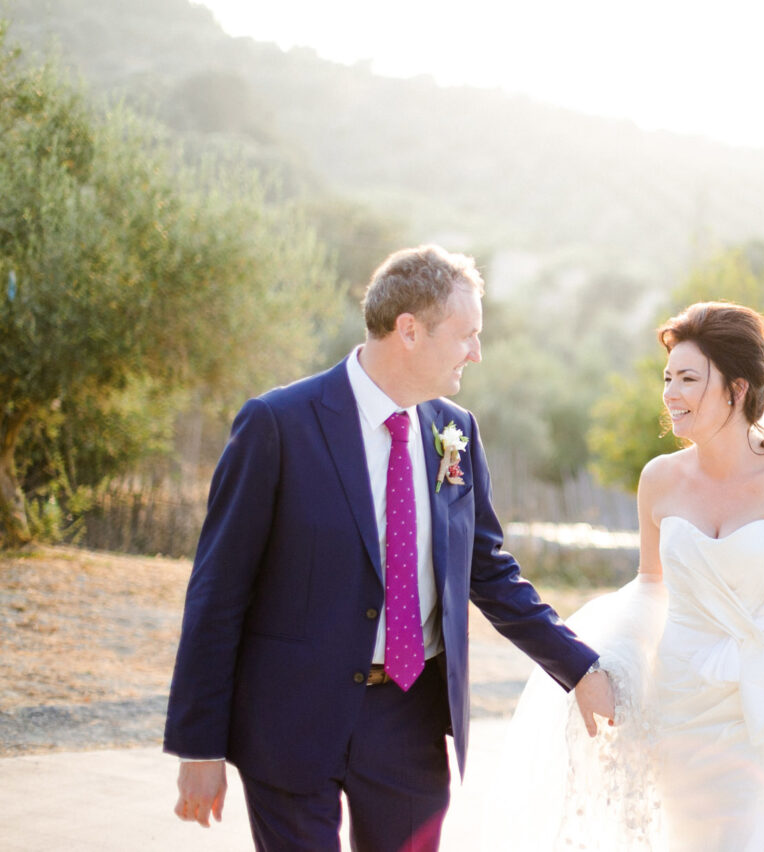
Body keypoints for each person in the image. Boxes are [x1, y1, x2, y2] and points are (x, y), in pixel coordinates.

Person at [163, 244, 614, 852]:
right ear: (409, 330)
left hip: (410, 723)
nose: (477, 352)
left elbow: (488, 570)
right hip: (291, 720)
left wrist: (577, 666)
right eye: (466, 335)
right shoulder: (278, 425)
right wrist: (200, 744)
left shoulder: (456, 431)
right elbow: (218, 591)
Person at [495, 301, 764, 850]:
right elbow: (650, 588)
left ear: (736, 388)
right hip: (682, 703)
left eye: (688, 378)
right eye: (667, 378)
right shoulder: (659, 480)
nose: (670, 393)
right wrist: (606, 665)